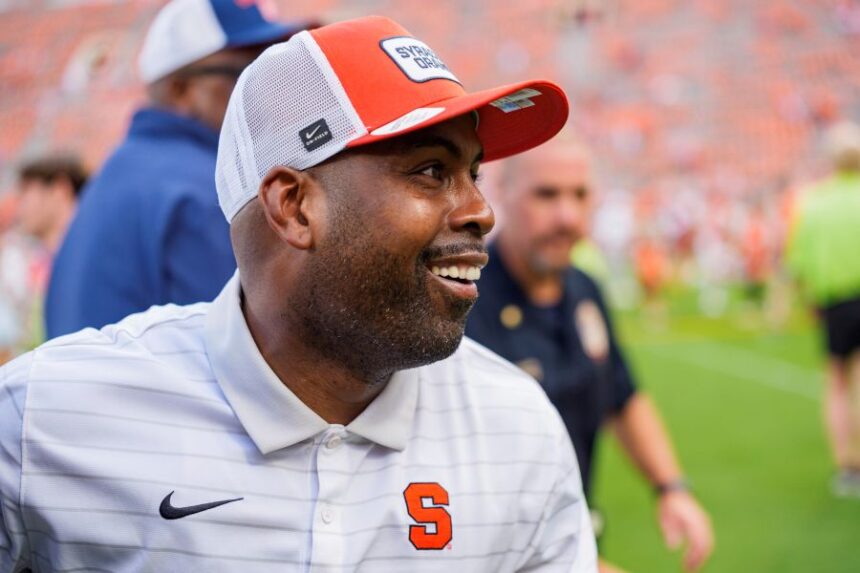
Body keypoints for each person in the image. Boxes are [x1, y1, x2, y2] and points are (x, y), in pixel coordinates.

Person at [0, 16, 597, 570]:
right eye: (431, 171)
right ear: (293, 206)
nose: (481, 211)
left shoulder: (520, 430)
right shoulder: (44, 424)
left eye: (474, 174)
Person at [466, 141, 713, 572]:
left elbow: (622, 394)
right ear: (501, 192)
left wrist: (670, 487)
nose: (567, 216)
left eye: (579, 195)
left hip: (576, 537)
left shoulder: (584, 289)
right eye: (546, 194)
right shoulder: (463, 303)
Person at [44, 0, 311, 339]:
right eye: (245, 73)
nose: (265, 92)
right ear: (180, 90)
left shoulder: (119, 172)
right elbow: (247, 356)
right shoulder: (206, 189)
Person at [786, 120, 860, 497]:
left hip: (836, 304)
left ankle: (847, 465)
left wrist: (806, 297)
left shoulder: (815, 203)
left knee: (837, 382)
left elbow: (798, 261)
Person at [0, 155, 87, 360]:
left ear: (59, 190)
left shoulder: (87, 263)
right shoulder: (42, 263)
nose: (19, 206)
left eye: (26, 192)